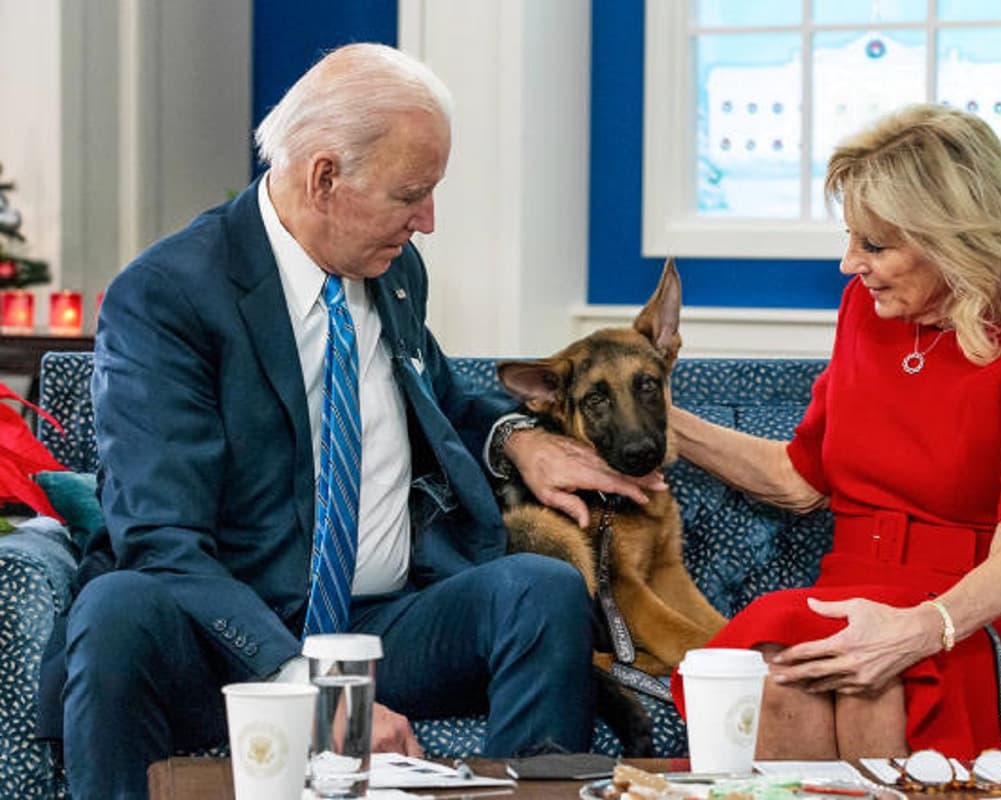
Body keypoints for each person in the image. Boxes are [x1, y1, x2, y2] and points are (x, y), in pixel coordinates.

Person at [47, 43, 663, 798]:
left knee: (537, 587)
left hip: (384, 623)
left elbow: (441, 395)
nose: (428, 221)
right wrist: (309, 681)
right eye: (412, 193)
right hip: (228, 638)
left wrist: (519, 439)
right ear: (326, 177)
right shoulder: (167, 297)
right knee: (118, 605)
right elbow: (159, 539)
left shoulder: (390, 269)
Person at [668, 104, 1001, 761]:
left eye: (874, 245)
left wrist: (921, 630)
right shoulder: (865, 311)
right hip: (852, 592)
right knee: (782, 667)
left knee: (878, 681)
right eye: (851, 239)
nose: (849, 265)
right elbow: (800, 476)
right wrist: (655, 420)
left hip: (981, 614)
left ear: (952, 237)